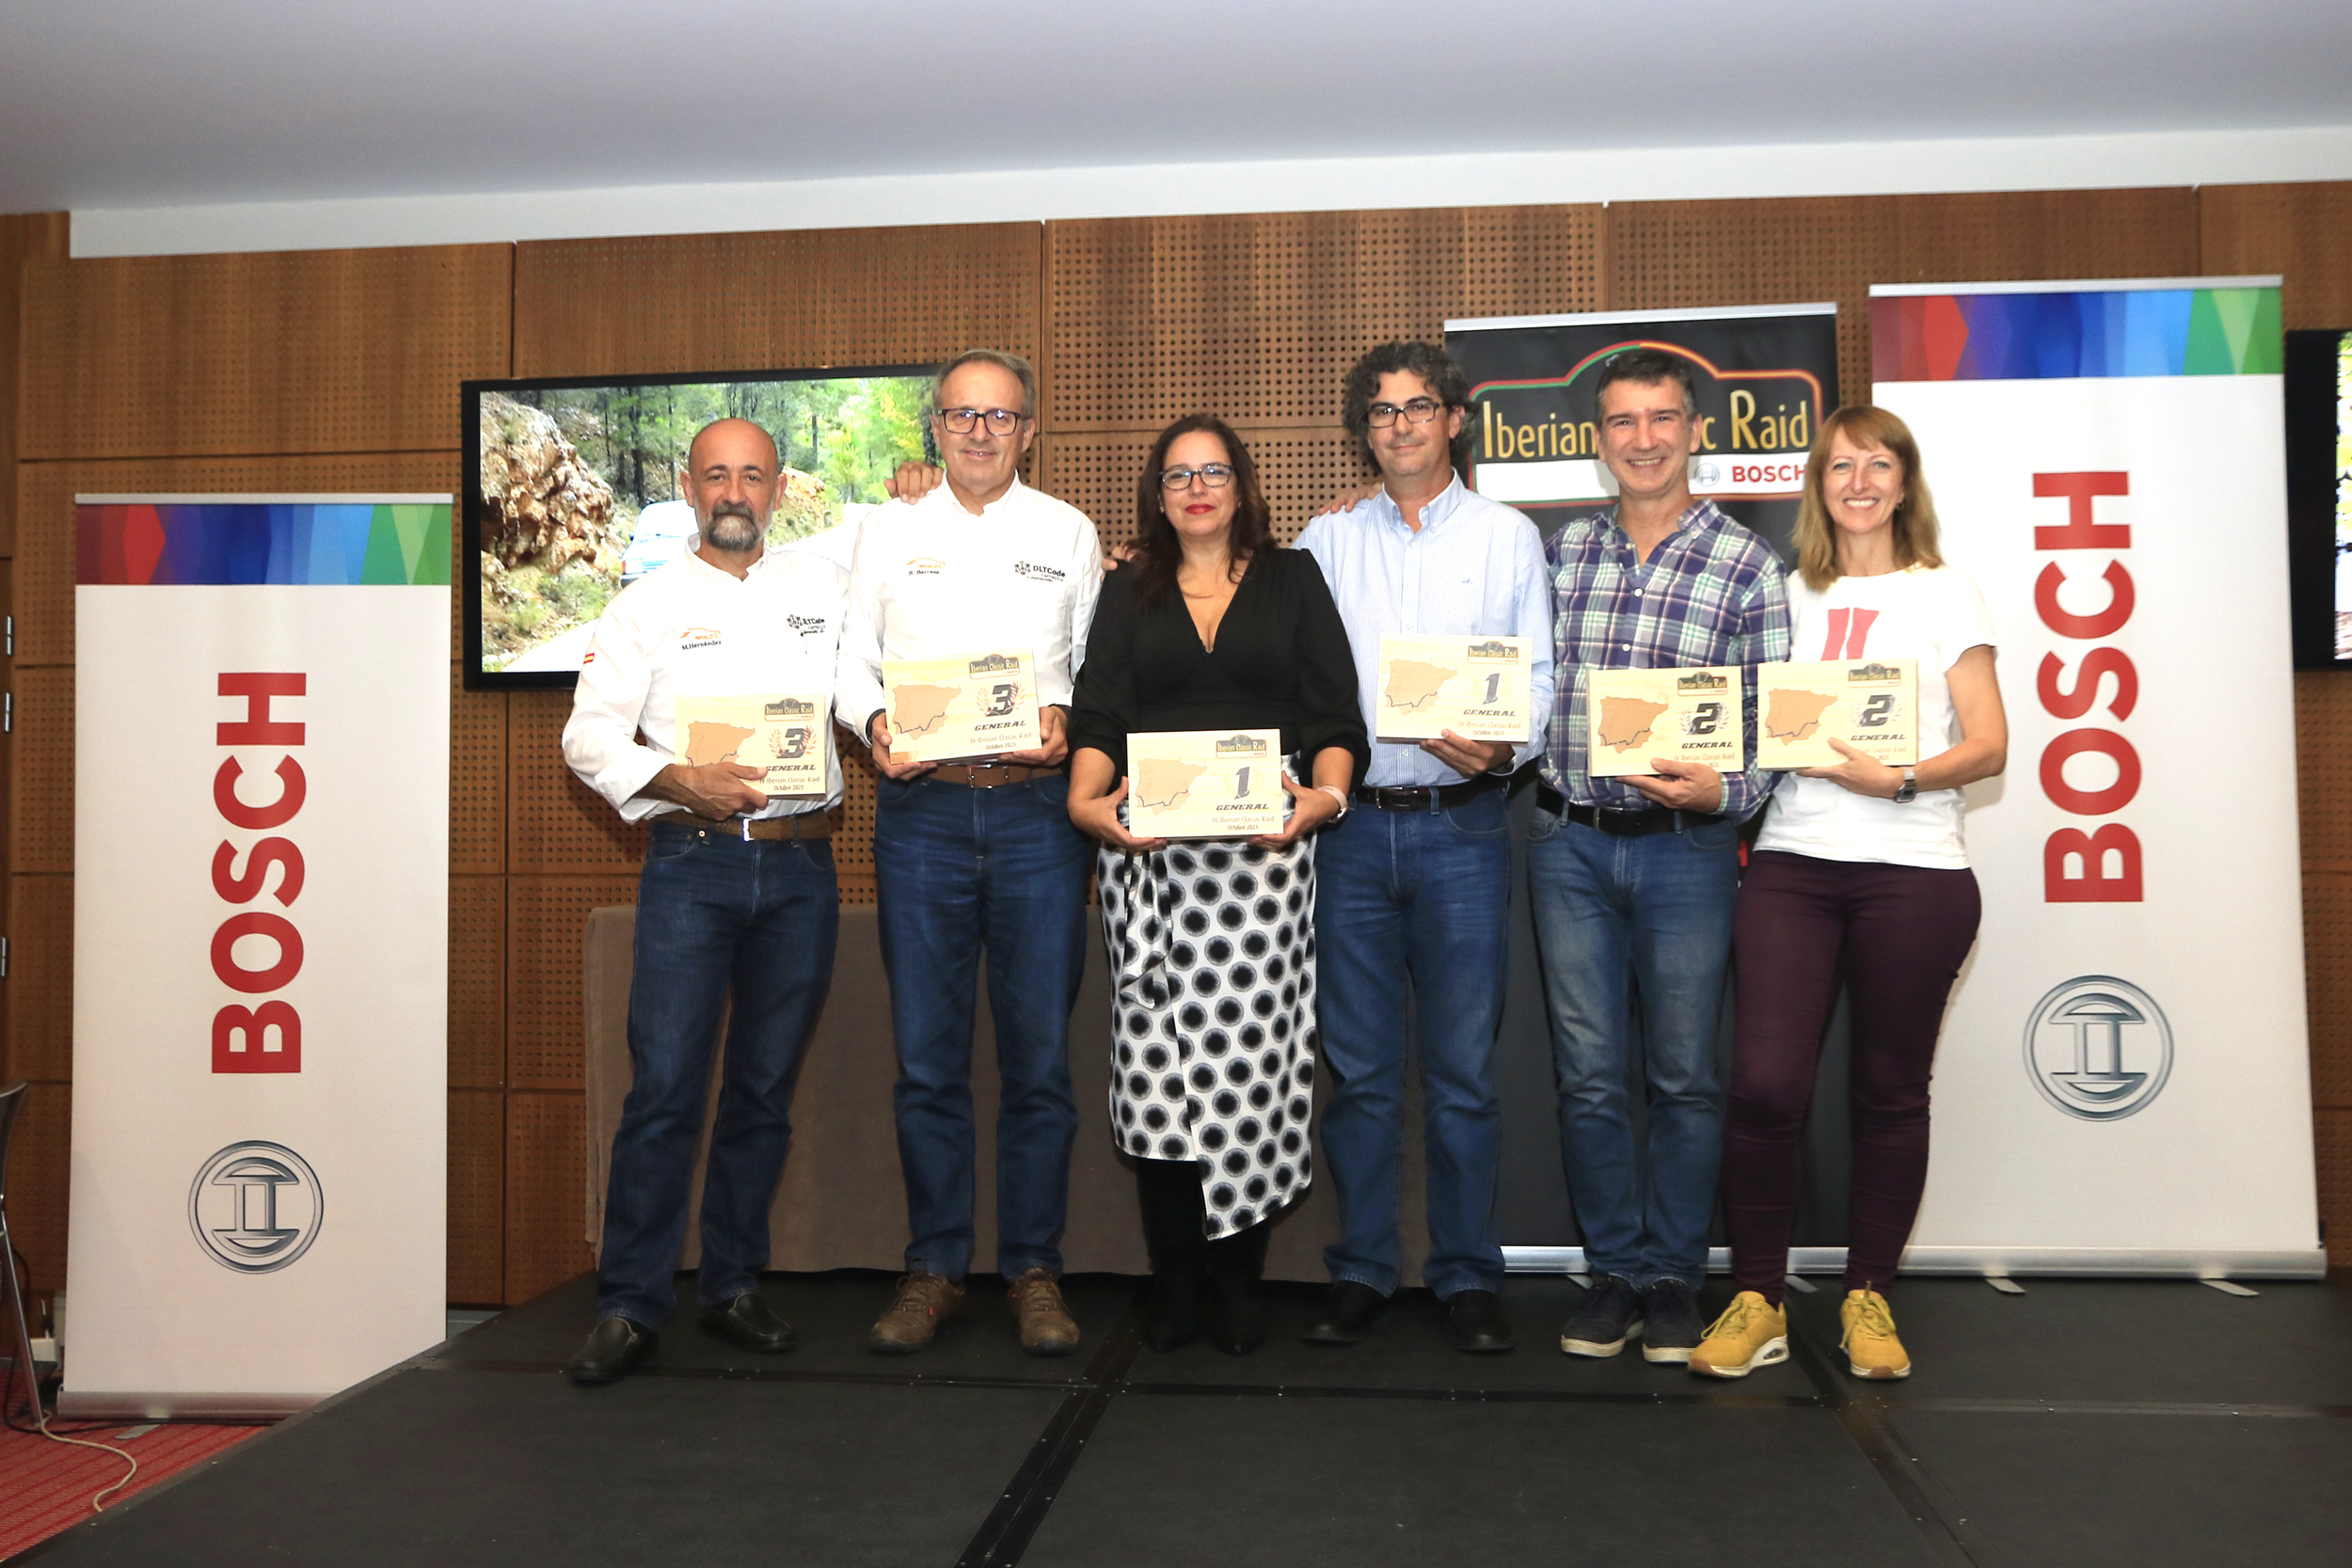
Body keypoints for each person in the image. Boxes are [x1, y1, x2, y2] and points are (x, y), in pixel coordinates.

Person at [1692, 406, 2005, 1382]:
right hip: (1792, 861)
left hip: (1914, 868)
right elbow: (1740, 723)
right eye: (1839, 465)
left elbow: (1990, 744)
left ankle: (1869, 1292)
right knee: (1763, 1085)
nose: (1858, 480)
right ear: (1816, 481)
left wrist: (1900, 775)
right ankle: (1758, 1297)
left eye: (1877, 464)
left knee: (1886, 1090)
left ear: (1903, 481)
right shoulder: (1782, 592)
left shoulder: (1948, 592)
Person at [1067, 415, 1367, 1354]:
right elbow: (1101, 707)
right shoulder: (1126, 588)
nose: (1196, 487)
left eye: (1214, 471)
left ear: (1242, 484)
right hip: (1150, 864)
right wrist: (1084, 802)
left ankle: (1238, 1284)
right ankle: (1176, 1285)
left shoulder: (1293, 579)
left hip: (1263, 865)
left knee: (1251, 1071)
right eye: (1177, 474)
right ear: (1157, 494)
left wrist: (1325, 796)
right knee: (1157, 1077)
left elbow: (1332, 710)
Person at [560, 418, 848, 1386]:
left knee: (763, 1093)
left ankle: (730, 1283)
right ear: (688, 486)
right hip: (693, 863)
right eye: (716, 475)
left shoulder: (824, 590)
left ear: (779, 488)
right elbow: (588, 738)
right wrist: (678, 777)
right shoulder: (642, 606)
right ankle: (631, 1303)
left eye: (753, 476)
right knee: (666, 1088)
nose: (734, 491)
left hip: (804, 869)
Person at [836, 349, 1104, 1356]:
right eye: (961, 415)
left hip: (1037, 815)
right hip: (923, 819)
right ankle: (935, 1267)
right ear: (934, 429)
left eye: (1000, 416)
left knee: (1038, 1059)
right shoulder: (885, 532)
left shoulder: (1067, 533)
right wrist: (871, 721)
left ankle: (1033, 1268)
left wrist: (1067, 714)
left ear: (1029, 429)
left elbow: (1090, 663)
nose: (980, 431)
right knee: (927, 1061)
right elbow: (848, 657)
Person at [1291, 341, 1555, 1355]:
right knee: (1357, 1072)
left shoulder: (1506, 537)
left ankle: (1466, 1276)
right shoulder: (1324, 543)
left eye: (1418, 407)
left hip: (1463, 828)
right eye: (1381, 412)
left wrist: (1505, 743)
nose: (1400, 425)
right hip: (1350, 836)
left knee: (1460, 1075)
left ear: (1453, 419)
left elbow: (1532, 681)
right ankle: (1360, 1270)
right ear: (1365, 429)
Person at [1530, 347, 1790, 1365]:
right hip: (1568, 842)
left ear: (1694, 431)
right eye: (1622, 422)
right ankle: (1615, 1272)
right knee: (1589, 1075)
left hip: (1688, 849)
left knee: (1683, 1075)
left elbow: (1773, 721)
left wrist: (1726, 790)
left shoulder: (1746, 564)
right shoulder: (1557, 554)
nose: (1642, 438)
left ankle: (1677, 1276)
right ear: (1599, 441)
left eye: (1662, 418)